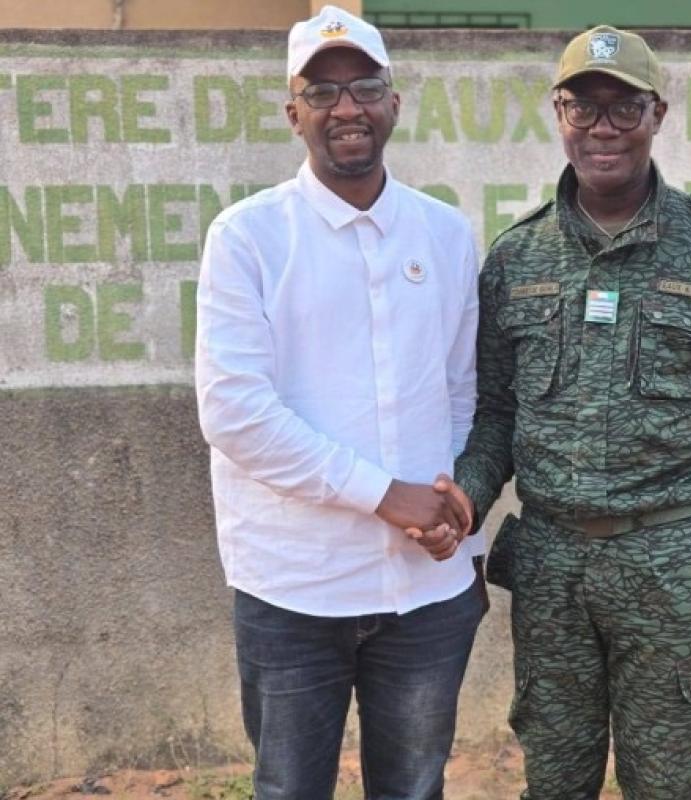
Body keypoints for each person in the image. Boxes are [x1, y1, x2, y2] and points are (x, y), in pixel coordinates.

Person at [453, 24, 691, 799]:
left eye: (623, 109)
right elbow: (496, 414)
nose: (603, 129)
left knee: (665, 782)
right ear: (559, 114)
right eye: (583, 107)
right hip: (552, 568)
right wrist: (464, 500)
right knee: (555, 780)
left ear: (657, 114)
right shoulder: (516, 258)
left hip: (667, 564)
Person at [194, 6, 484, 798]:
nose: (346, 107)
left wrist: (451, 502)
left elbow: (461, 389)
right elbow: (233, 411)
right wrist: (383, 494)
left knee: (414, 787)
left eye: (364, 86)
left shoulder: (447, 234)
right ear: (294, 114)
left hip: (426, 590)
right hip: (294, 587)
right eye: (322, 92)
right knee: (289, 789)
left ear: (394, 102)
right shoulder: (248, 237)